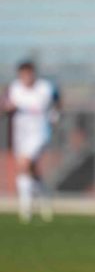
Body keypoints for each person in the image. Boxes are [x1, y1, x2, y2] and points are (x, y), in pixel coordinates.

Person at [2, 61, 59, 223]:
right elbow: (5, 105)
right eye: (23, 74)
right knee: (30, 169)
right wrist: (7, 108)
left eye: (29, 74)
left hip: (40, 133)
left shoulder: (44, 88)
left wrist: (55, 115)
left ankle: (25, 209)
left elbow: (57, 100)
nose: (26, 77)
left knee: (24, 164)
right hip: (21, 135)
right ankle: (44, 196)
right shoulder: (14, 89)